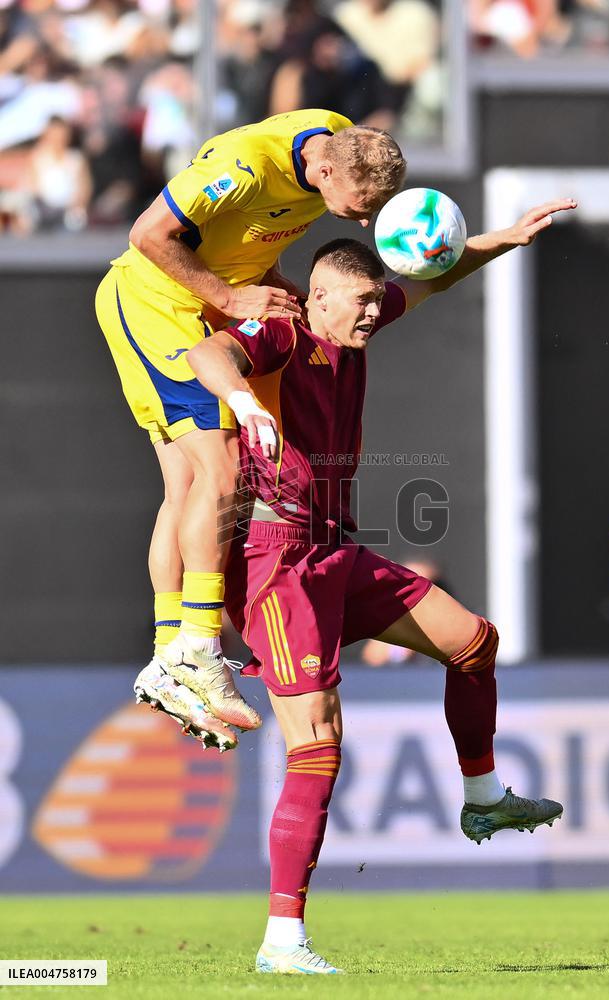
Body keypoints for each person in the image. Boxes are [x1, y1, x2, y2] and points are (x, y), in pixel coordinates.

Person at [184, 196, 577, 974]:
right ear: (320, 294)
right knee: (319, 745)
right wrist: (237, 401)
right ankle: (282, 943)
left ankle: (485, 797)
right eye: (361, 301)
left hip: (332, 551)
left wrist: (503, 236)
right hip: (275, 560)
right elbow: (209, 357)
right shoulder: (287, 333)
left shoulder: (353, 326)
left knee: (473, 641)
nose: (373, 314)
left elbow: (436, 275)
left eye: (376, 302)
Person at [94, 109, 406, 748]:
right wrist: (234, 299)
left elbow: (247, 241)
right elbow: (147, 235)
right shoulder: (243, 168)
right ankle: (200, 644)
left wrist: (268, 285)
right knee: (225, 467)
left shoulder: (340, 140)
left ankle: (168, 656)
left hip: (205, 301)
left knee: (185, 488)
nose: (366, 220)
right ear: (323, 171)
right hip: (155, 306)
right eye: (360, 206)